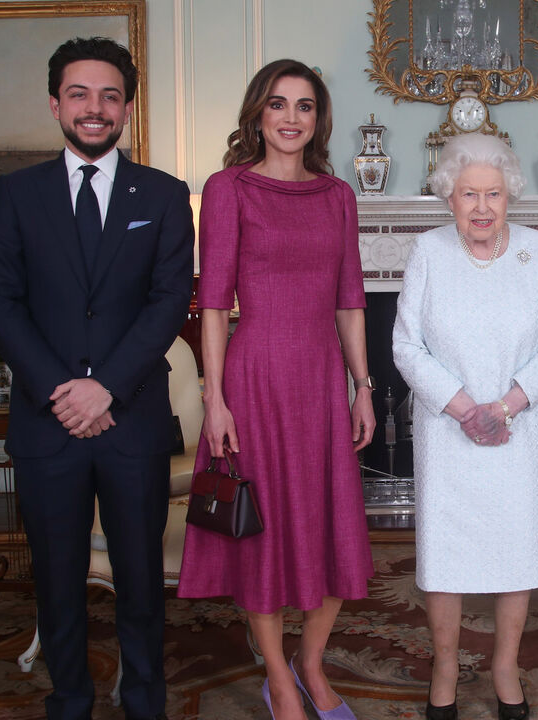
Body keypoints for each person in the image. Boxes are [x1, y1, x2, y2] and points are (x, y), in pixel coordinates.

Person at [0, 37, 194, 720]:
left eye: (108, 95)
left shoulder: (161, 194)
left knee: (139, 581)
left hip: (132, 420)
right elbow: (1, 300)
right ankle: (69, 699)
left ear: (127, 107)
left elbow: (168, 300)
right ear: (55, 105)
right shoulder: (16, 194)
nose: (94, 108)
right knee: (59, 580)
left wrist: (107, 386)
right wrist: (62, 390)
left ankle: (144, 702)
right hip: (49, 423)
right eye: (79, 94)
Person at [176, 59, 376, 720]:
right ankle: (281, 683)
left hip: (321, 380)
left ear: (319, 119)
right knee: (261, 535)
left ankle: (310, 665)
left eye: (305, 106)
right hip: (255, 377)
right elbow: (212, 304)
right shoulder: (229, 188)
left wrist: (364, 387)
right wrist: (215, 400)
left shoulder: (337, 195)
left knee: (331, 529)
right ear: (258, 113)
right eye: (279, 104)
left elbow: (351, 302)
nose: (292, 118)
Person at [393, 133, 538, 720]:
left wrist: (508, 404)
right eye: (468, 193)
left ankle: (504, 666)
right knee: (446, 553)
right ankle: (445, 666)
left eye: (493, 194)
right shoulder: (427, 251)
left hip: (519, 429)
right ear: (448, 196)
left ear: (509, 196)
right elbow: (406, 346)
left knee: (516, 548)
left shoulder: (537, 251)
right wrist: (464, 406)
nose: (481, 207)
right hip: (449, 431)